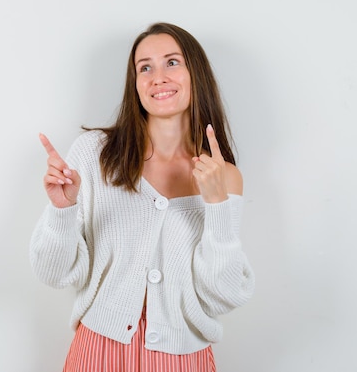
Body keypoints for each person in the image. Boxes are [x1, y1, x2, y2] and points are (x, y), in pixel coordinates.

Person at [30, 22, 255, 372]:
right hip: (99, 353)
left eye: (172, 62)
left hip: (184, 359)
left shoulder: (223, 176)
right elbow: (54, 274)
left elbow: (224, 294)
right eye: (145, 67)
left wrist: (217, 206)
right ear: (135, 84)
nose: (158, 77)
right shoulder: (95, 155)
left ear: (196, 74)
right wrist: (62, 211)